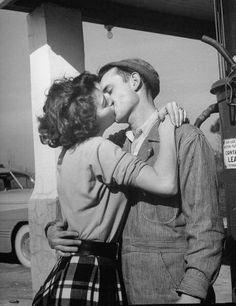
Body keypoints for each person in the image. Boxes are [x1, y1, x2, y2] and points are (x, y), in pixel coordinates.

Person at [46, 59, 225, 304]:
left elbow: (206, 226)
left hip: (169, 291)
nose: (105, 99)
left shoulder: (185, 138)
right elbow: (75, 201)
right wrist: (54, 230)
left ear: (134, 81)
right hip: (117, 290)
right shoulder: (112, 145)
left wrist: (193, 291)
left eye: (108, 90)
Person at [33, 71, 185, 306]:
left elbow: (68, 214)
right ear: (85, 114)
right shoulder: (100, 149)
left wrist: (51, 228)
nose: (112, 100)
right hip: (94, 269)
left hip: (70, 268)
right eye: (105, 100)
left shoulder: (67, 153)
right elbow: (166, 183)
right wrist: (166, 130)